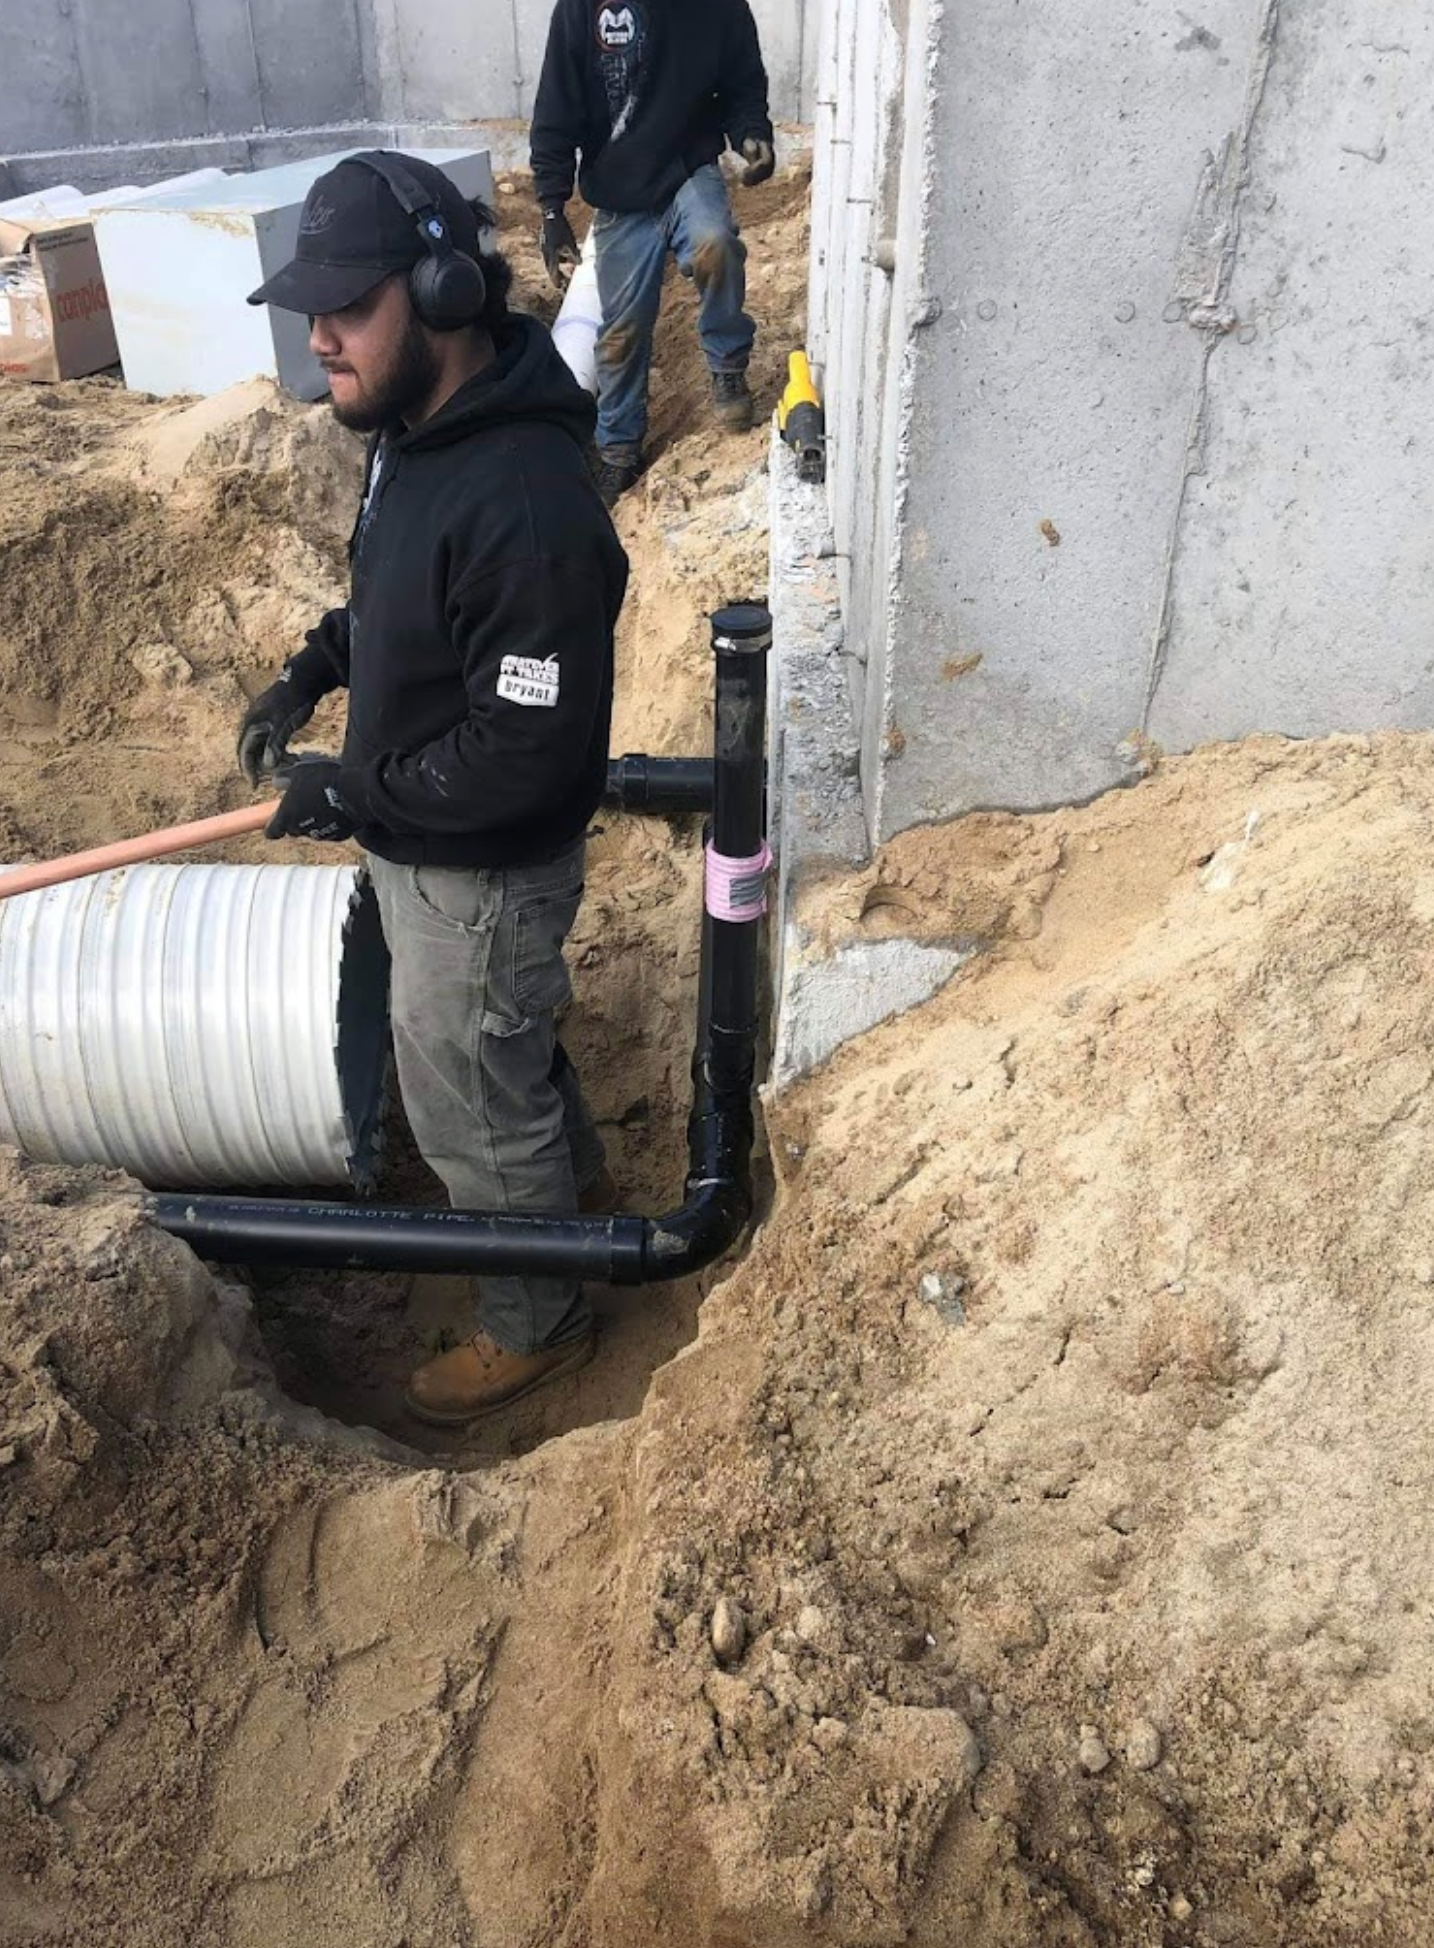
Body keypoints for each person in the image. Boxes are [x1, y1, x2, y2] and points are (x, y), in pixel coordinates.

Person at [238, 151, 628, 1425]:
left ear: (446, 288)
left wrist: (358, 796)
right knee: (495, 1057)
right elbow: (405, 604)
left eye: (347, 305)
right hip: (428, 838)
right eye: (311, 310)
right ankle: (577, 1192)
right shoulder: (414, 431)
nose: (321, 340)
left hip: (483, 870)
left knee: (463, 1089)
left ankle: (541, 1318)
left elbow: (530, 753)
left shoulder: (522, 495)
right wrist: (317, 666)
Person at [530, 0, 776, 506]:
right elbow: (556, 106)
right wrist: (552, 210)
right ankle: (618, 448)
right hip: (620, 191)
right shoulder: (583, 8)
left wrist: (753, 134)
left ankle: (727, 366)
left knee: (716, 244)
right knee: (621, 334)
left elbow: (742, 78)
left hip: (689, 169)